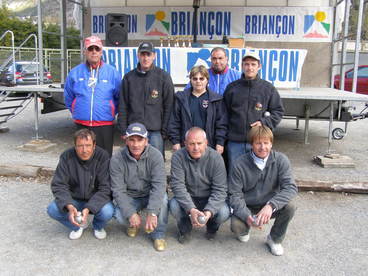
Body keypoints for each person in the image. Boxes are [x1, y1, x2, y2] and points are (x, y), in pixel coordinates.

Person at [229, 125, 297, 256]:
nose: (262, 147)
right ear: (251, 145)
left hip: (269, 205)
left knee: (290, 207)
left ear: (271, 144)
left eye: (266, 143)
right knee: (237, 228)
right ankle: (246, 228)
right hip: (248, 206)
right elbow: (234, 194)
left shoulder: (281, 160)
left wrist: (271, 206)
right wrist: (247, 216)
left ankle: (274, 239)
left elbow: (290, 187)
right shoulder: (239, 163)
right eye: (258, 143)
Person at [110, 123, 169, 252]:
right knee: (119, 213)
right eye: (132, 140)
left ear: (146, 141)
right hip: (131, 196)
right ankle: (134, 222)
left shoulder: (156, 156)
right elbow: (118, 190)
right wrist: (131, 213)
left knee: (163, 200)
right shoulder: (117, 159)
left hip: (150, 194)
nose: (135, 144)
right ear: (126, 141)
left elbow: (159, 185)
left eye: (140, 140)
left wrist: (152, 212)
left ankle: (158, 234)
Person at [47, 129, 114, 240]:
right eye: (80, 146)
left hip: (95, 199)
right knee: (52, 209)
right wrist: (69, 205)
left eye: (88, 145)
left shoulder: (103, 156)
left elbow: (106, 188)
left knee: (108, 211)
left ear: (94, 145)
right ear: (75, 146)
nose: (84, 150)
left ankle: (98, 226)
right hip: (74, 199)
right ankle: (77, 226)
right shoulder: (66, 156)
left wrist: (89, 208)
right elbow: (59, 184)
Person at [223, 51, 284, 171]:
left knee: (257, 174)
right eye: (246, 64)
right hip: (235, 142)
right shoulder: (232, 88)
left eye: (253, 64)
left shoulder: (268, 89)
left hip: (259, 142)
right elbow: (223, 114)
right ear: (242, 66)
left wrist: (263, 122)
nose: (249, 67)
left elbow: (278, 111)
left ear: (259, 66)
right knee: (235, 174)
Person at [169, 127, 230, 243]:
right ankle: (185, 230)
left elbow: (220, 189)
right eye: (191, 144)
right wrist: (191, 209)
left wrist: (209, 211)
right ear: (185, 143)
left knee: (224, 212)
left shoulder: (216, 158)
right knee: (174, 205)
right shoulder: (178, 157)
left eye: (199, 143)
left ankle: (212, 228)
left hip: (209, 197)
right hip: (189, 196)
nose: (196, 148)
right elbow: (177, 186)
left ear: (206, 143)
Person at [64, 36, 121, 157]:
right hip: (82, 123)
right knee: (83, 156)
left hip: (104, 124)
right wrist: (76, 110)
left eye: (97, 49)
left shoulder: (112, 72)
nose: (94, 51)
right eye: (90, 49)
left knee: (104, 157)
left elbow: (119, 97)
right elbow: (68, 97)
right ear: (85, 51)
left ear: (101, 52)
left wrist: (110, 111)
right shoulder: (75, 72)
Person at [118, 42, 174, 157]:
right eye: (143, 54)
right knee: (133, 164)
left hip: (155, 132)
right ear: (138, 55)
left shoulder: (163, 77)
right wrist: (123, 129)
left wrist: (164, 132)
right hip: (134, 131)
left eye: (148, 55)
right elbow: (123, 105)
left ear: (154, 56)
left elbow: (169, 106)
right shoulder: (129, 78)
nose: (145, 58)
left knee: (156, 166)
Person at [168, 65, 227, 154]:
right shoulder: (181, 98)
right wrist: (175, 141)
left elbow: (221, 123)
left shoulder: (216, 100)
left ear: (207, 80)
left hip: (209, 146)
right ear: (190, 80)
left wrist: (220, 142)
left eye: (201, 78)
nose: (198, 81)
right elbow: (174, 121)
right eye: (195, 79)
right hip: (186, 146)